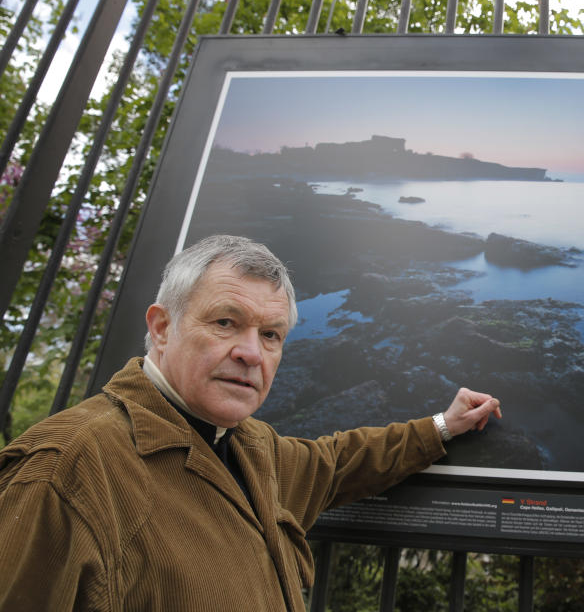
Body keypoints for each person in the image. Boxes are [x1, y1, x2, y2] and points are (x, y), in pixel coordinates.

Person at [0, 235, 501, 611]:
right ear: (161, 327)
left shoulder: (249, 445)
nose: (250, 354)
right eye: (225, 323)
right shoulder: (65, 470)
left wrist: (443, 425)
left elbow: (335, 463)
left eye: (271, 335)